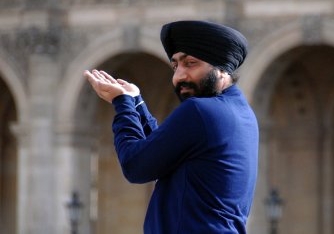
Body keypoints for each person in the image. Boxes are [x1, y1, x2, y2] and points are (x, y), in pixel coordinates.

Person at [84, 20, 259, 234]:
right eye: (175, 65)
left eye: (191, 63)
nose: (179, 76)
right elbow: (162, 151)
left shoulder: (200, 111)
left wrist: (122, 104)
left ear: (221, 67)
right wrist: (135, 101)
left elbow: (135, 166)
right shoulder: (241, 113)